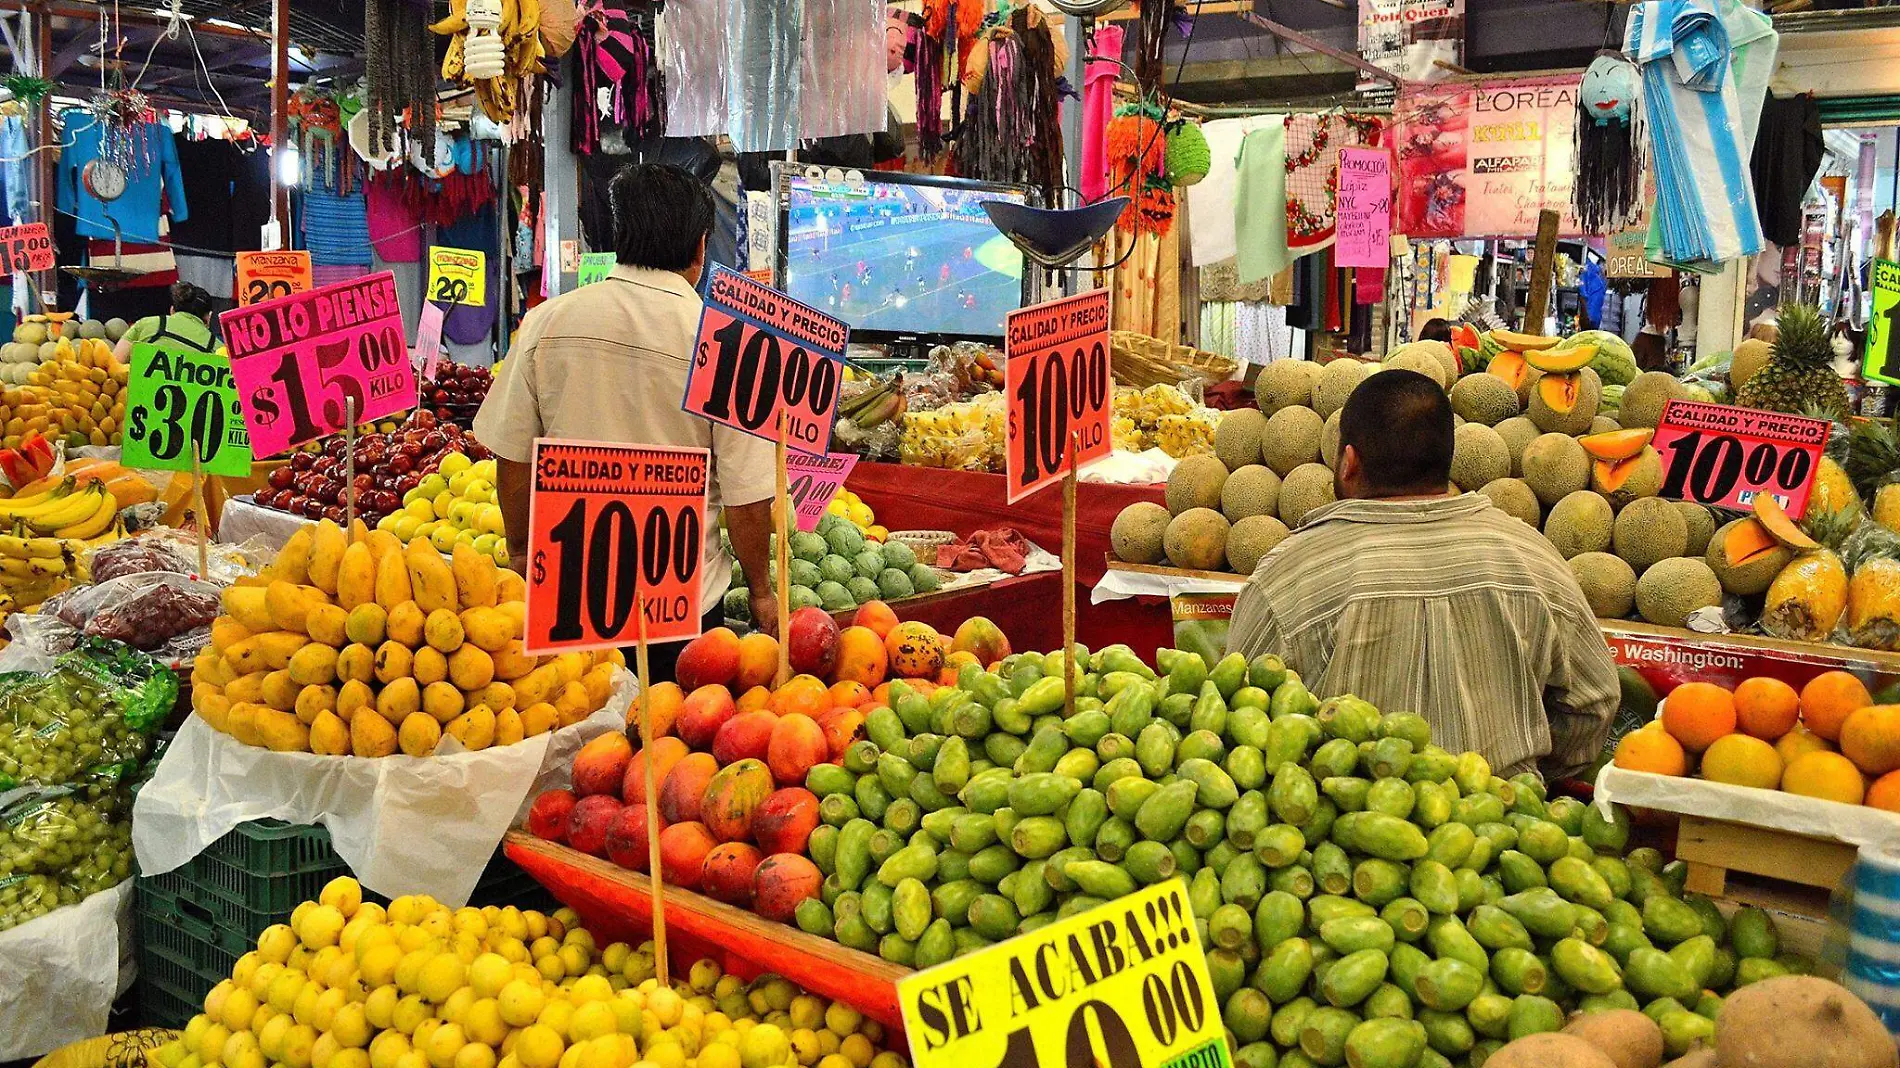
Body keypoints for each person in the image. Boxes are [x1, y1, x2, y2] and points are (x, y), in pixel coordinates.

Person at [1225, 369, 1618, 778]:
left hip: (1341, 833)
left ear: (1348, 462)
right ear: (1447, 461)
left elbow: (1243, 725)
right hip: (1506, 829)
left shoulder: (1286, 577)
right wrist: (1523, 773)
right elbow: (1595, 704)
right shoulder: (1534, 558)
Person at [474, 163, 779, 679]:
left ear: (620, 236)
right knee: (671, 746)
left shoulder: (547, 322)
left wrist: (522, 555)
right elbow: (749, 499)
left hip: (569, 598)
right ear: (701, 248)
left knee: (581, 744)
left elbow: (514, 457)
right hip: (680, 608)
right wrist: (762, 590)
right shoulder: (728, 343)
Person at [114, 281, 217, 358]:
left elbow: (116, 363)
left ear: (172, 310)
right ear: (209, 317)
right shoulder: (219, 349)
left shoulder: (146, 324)